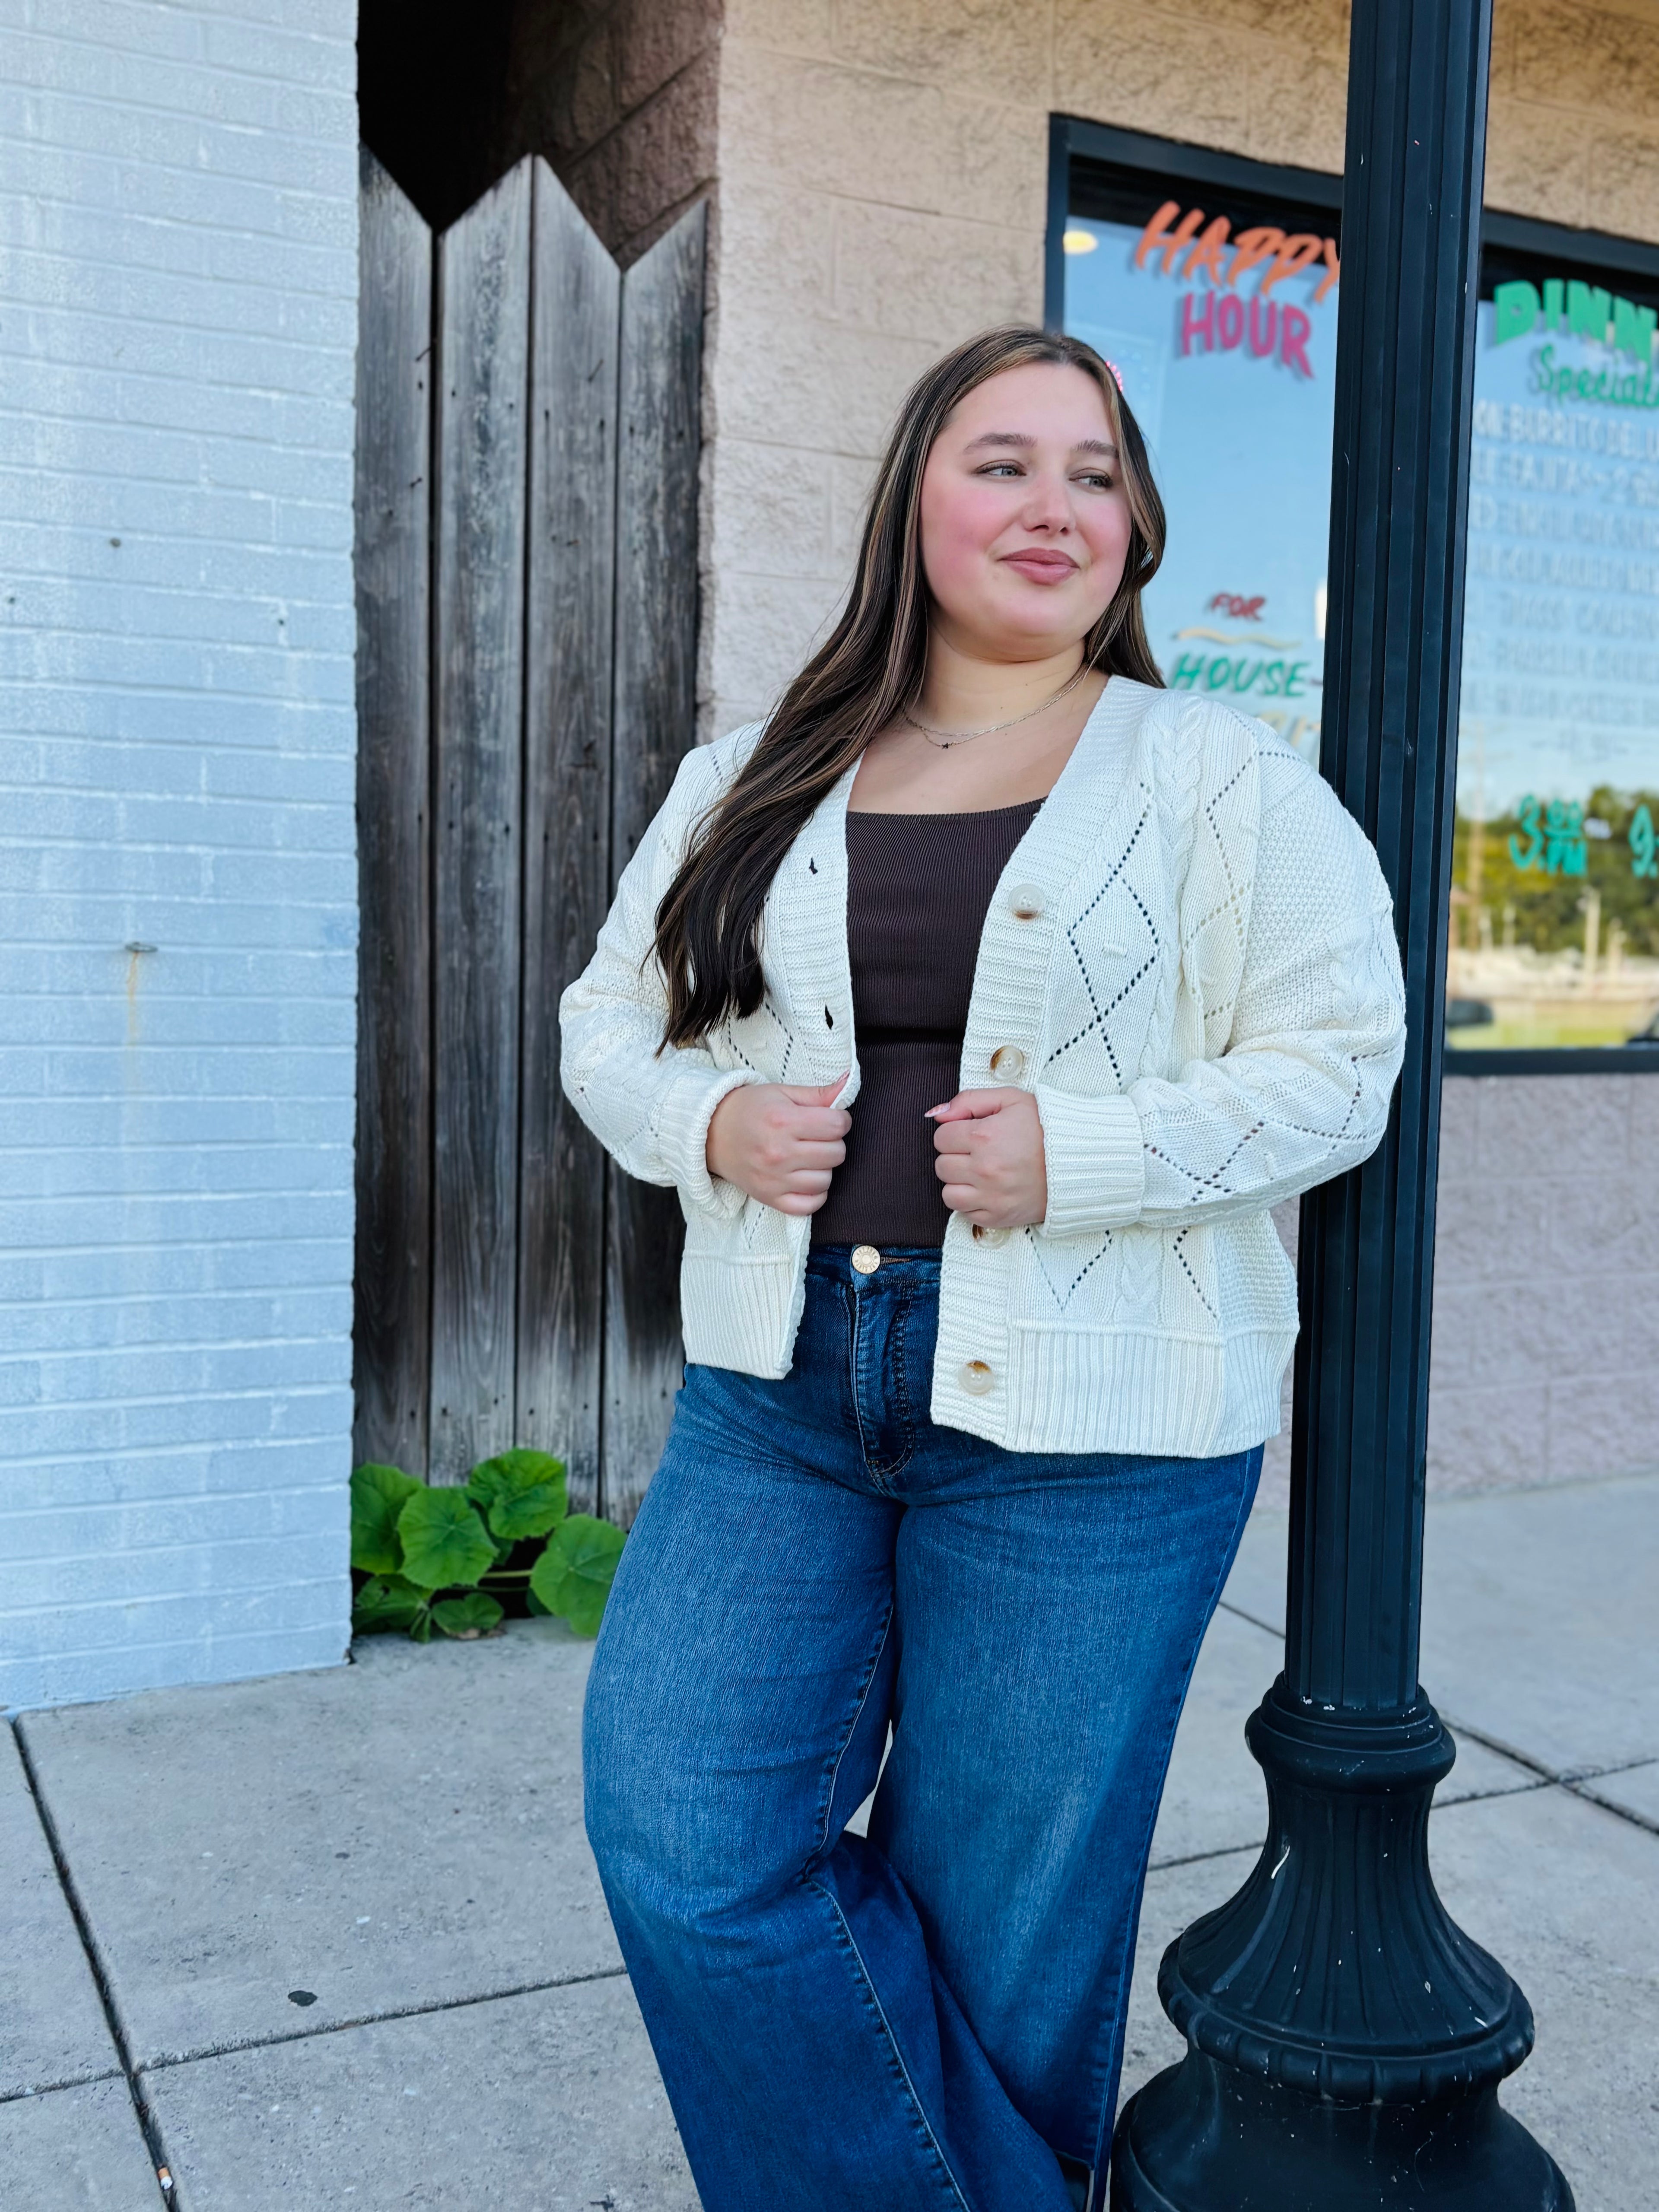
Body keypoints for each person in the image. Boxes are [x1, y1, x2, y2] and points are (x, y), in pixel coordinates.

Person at [559, 324, 1405, 2212]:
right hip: (782, 1387)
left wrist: (1079, 1153)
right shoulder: (749, 772)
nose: (1055, 505)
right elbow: (606, 1025)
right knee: (686, 1828)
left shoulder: (1220, 776)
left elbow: (1342, 1063)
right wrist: (706, 1125)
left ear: (1140, 529)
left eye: (1096, 472)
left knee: (1004, 1922)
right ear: (914, 504)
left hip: (1096, 1422)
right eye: (1002, 460)